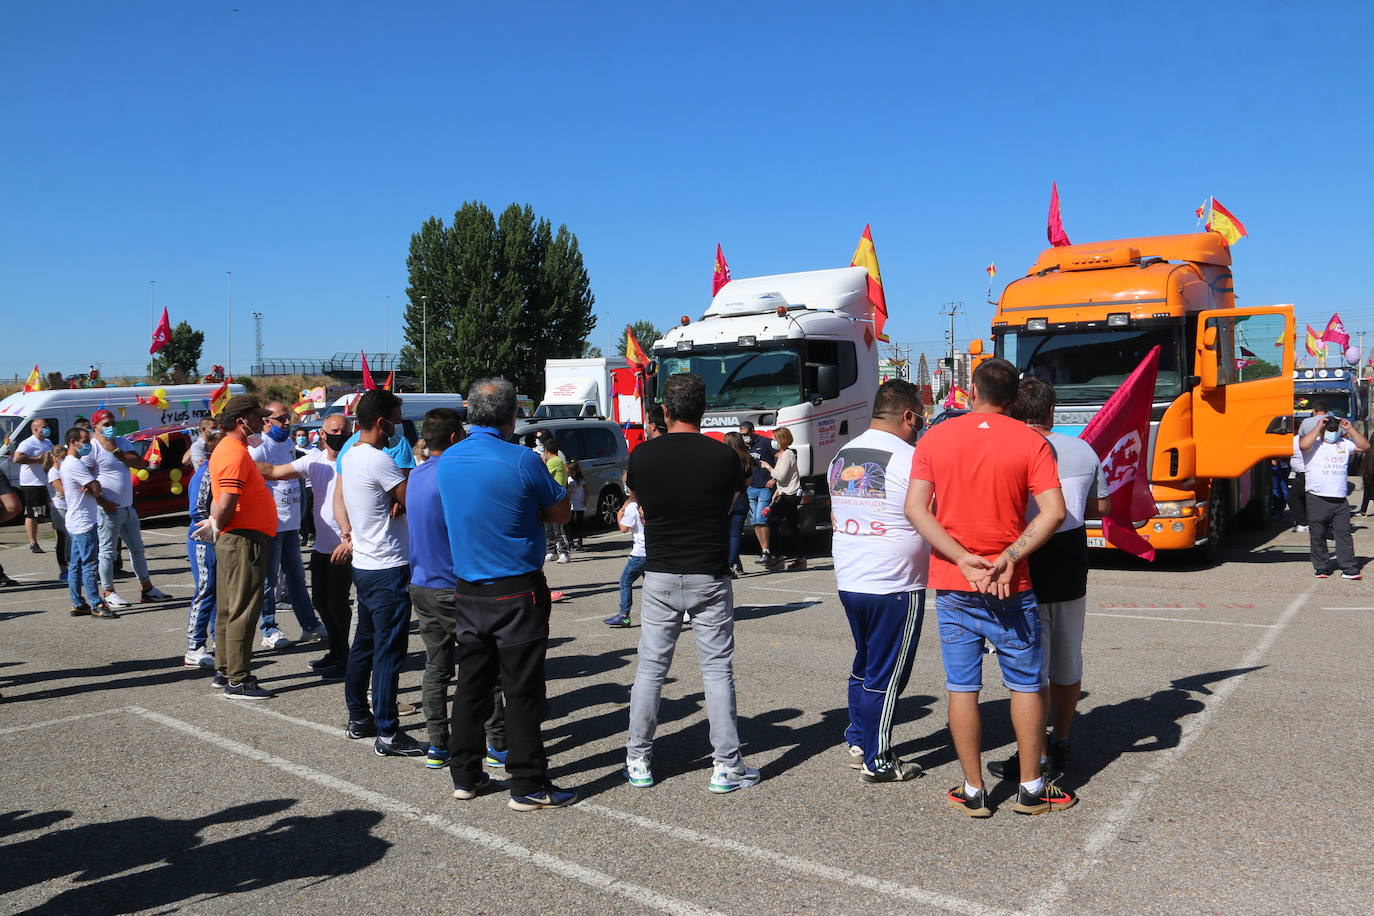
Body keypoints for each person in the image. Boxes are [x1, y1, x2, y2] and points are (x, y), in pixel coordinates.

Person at [906, 358, 1073, 818]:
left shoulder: (934, 438)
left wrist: (960, 556)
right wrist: (1010, 556)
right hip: (1009, 581)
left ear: (972, 390)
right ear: (1016, 398)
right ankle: (1031, 786)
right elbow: (1053, 512)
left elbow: (916, 509)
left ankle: (974, 789)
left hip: (955, 581)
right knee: (1024, 685)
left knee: (962, 687)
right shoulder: (1031, 441)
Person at [437, 377, 576, 810]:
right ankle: (528, 783)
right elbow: (561, 511)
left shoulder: (448, 459)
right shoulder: (522, 460)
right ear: (513, 415)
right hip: (515, 588)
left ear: (469, 412)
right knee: (522, 691)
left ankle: (466, 774)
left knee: (471, 687)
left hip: (468, 588)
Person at [624, 372, 759, 793]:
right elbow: (732, 502)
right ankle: (726, 765)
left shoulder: (643, 455)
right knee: (717, 670)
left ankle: (638, 757)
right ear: (704, 410)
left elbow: (641, 505)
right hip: (708, 572)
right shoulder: (723, 457)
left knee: (650, 669)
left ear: (665, 410)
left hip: (661, 570)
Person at [990, 377, 1110, 780]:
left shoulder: (1007, 448)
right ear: (1051, 411)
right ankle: (1061, 740)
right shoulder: (1083, 449)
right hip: (1072, 563)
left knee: (1028, 668)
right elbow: (1102, 505)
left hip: (1022, 566)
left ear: (1011, 409)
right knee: (1067, 661)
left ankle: (1034, 752)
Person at [830, 380, 931, 783]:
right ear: (908, 416)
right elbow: (931, 513)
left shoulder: (843, 453)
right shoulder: (913, 458)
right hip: (895, 582)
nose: (920, 426)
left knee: (866, 662)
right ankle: (879, 758)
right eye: (920, 419)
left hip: (851, 573)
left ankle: (858, 738)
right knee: (887, 677)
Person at [405, 409, 509, 770]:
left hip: (421, 581)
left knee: (436, 666)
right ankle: (497, 743)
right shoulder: (451, 476)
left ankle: (438, 743)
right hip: (453, 584)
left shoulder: (416, 476)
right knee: (484, 666)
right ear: (453, 438)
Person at [331, 389, 421, 755]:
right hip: (388, 567)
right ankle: (387, 733)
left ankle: (359, 717)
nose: (400, 427)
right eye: (397, 419)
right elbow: (414, 498)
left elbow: (395, 498)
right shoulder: (379, 460)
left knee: (364, 645)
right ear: (381, 422)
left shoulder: (352, 456)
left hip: (366, 564)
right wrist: (402, 496)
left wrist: (395, 499)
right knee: (388, 651)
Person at [196, 396, 279, 700]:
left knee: (230, 607)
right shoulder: (234, 451)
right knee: (243, 608)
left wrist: (217, 523)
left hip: (238, 537)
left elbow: (224, 500)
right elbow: (228, 501)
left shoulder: (231, 449)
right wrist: (219, 523)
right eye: (259, 417)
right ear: (243, 420)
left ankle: (225, 670)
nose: (263, 422)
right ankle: (238, 679)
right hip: (243, 539)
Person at [258, 413, 353, 677]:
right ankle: (336, 651)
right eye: (333, 431)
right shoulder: (314, 461)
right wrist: (238, 460)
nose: (339, 436)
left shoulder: (355, 461)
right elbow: (274, 472)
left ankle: (345, 659)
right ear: (322, 435)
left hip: (345, 546)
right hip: (323, 546)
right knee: (321, 601)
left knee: (338, 603)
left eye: (344, 431)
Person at [250, 401, 327, 650]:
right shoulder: (259, 447)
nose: (287, 422)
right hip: (270, 526)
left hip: (290, 524)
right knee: (268, 580)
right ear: (266, 422)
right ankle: (269, 628)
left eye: (287, 418)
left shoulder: (290, 444)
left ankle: (309, 625)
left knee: (296, 577)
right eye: (281, 419)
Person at [84, 409, 173, 608]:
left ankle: (147, 589)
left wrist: (116, 450)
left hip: (127, 507)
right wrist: (103, 502)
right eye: (106, 424)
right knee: (107, 553)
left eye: (112, 423)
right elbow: (86, 481)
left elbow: (138, 463)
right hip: (107, 509)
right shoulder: (91, 447)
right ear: (96, 426)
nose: (111, 428)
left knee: (138, 550)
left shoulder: (122, 442)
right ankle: (108, 591)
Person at [1298, 412, 1369, 578]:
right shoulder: (1313, 445)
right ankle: (1321, 567)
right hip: (1317, 497)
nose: (1331, 432)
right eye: (1328, 429)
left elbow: (1365, 447)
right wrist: (1318, 426)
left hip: (1340, 499)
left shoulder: (1344, 444)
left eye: (1333, 429)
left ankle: (1349, 569)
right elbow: (1303, 445)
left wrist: (1350, 429)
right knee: (1318, 535)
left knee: (1344, 534)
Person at [60, 428, 111, 618]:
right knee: (89, 564)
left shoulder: (69, 463)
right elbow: (97, 489)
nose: (88, 444)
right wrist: (93, 485)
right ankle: (96, 603)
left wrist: (90, 486)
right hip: (84, 522)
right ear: (73, 442)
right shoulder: (75, 464)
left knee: (76, 564)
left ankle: (78, 603)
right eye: (84, 441)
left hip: (75, 520)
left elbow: (92, 487)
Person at [184, 428, 223, 668]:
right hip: (203, 539)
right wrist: (217, 525)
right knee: (206, 590)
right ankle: (194, 646)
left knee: (221, 592)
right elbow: (197, 511)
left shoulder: (218, 472)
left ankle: (220, 640)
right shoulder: (205, 473)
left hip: (220, 537)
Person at [760, 427, 804, 571]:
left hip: (791, 494)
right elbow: (785, 479)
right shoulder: (784, 454)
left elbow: (780, 476)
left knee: (772, 519)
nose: (773, 442)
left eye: (775, 439)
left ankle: (778, 556)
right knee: (792, 525)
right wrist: (778, 491)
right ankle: (799, 558)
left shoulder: (788, 454)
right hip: (786, 492)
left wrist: (768, 467)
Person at [605, 483, 646, 628]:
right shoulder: (648, 503)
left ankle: (624, 615)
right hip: (652, 551)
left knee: (625, 581)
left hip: (639, 553)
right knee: (651, 584)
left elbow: (623, 528)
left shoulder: (631, 508)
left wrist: (619, 513)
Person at [12, 418, 53, 555]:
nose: (47, 429)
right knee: (33, 514)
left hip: (47, 482)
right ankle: (33, 542)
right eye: (44, 427)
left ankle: (61, 541)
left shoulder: (47, 442)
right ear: (35, 429)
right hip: (31, 483)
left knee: (51, 513)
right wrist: (37, 460)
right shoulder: (28, 443)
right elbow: (17, 458)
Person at [739, 422, 777, 565]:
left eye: (746, 434)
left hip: (764, 487)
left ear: (753, 432)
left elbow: (781, 455)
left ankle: (767, 550)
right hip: (750, 488)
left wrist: (774, 477)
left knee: (762, 519)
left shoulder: (765, 442)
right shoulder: (743, 446)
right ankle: (763, 550)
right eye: (742, 435)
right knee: (755, 521)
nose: (744, 437)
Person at [721, 432, 752, 578]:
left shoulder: (724, 459)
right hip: (742, 497)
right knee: (735, 533)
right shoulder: (746, 458)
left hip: (727, 497)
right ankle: (735, 563)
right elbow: (748, 481)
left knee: (726, 534)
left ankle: (729, 564)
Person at [543, 439, 571, 564]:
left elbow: (543, 475)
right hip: (550, 500)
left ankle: (564, 552)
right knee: (549, 528)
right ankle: (552, 551)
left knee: (558, 529)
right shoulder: (558, 461)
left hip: (557, 499)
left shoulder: (554, 461)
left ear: (547, 451)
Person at [45, 444, 70, 583]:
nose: (64, 460)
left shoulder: (66, 470)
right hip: (59, 508)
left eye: (66, 457)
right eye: (62, 458)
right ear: (54, 458)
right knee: (62, 539)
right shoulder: (53, 472)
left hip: (69, 507)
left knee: (71, 540)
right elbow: (64, 489)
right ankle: (63, 571)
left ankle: (72, 568)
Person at [294, 426, 317, 548]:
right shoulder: (292, 450)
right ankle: (303, 534)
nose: (301, 438)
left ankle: (311, 533)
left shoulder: (314, 451)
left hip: (310, 486)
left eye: (303, 435)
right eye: (298, 436)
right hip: (297, 485)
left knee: (307, 510)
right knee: (299, 511)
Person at [566, 462, 586, 550]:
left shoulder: (581, 480)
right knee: (569, 523)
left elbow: (586, 490)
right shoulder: (568, 479)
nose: (570, 473)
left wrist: (585, 500)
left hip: (580, 503)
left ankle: (580, 541)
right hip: (571, 503)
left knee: (580, 523)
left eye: (571, 471)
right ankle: (570, 542)